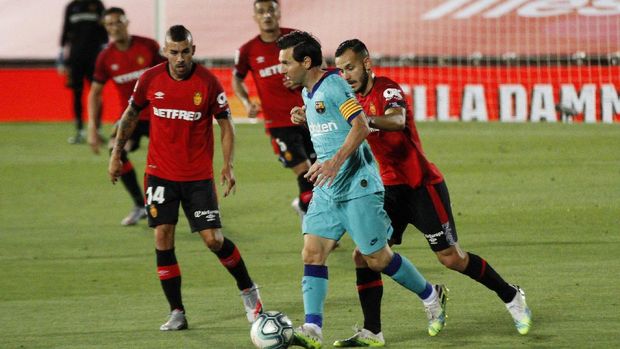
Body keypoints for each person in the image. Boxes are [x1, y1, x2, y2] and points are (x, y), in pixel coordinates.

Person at [330, 39, 532, 346]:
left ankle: (511, 295)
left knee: (451, 258)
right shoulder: (348, 99)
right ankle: (374, 330)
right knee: (365, 255)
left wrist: (364, 121)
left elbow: (397, 120)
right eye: (341, 70)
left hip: (421, 185)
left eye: (351, 67)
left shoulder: (386, 89)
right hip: (385, 190)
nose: (346, 75)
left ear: (367, 63)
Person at [278, 31, 447, 349]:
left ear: (306, 61)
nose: (282, 69)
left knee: (378, 258)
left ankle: (430, 293)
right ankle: (312, 329)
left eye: (286, 63)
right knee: (312, 252)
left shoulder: (334, 85)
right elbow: (334, 128)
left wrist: (333, 163)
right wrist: (307, 120)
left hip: (358, 186)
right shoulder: (309, 93)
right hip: (328, 190)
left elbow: (360, 126)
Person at [108, 25, 263, 331]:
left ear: (193, 50)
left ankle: (249, 290)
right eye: (174, 52)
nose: (179, 58)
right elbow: (129, 115)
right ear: (165, 51)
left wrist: (228, 165)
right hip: (159, 176)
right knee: (162, 237)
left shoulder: (207, 83)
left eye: (185, 51)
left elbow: (226, 124)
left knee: (213, 240)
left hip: (197, 178)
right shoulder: (150, 79)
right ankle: (177, 311)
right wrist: (116, 154)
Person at [233, 0, 316, 215]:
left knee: (318, 174)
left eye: (271, 10)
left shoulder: (296, 40)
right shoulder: (248, 50)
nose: (267, 15)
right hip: (279, 124)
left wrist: (301, 80)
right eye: (261, 11)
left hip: (310, 116)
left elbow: (318, 67)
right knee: (305, 172)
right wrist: (246, 102)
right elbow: (237, 78)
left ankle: (306, 208)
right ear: (255, 17)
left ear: (279, 13)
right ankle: (315, 227)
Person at [87, 7, 165, 226]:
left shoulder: (147, 46)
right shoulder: (105, 57)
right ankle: (140, 205)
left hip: (158, 114)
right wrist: (93, 127)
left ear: (127, 23)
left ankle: (198, 201)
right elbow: (95, 92)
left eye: (118, 22)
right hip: (131, 116)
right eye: (110, 24)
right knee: (116, 151)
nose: (115, 27)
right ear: (106, 28)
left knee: (172, 159)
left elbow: (167, 74)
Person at [59, 0, 108, 144]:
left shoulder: (97, 5)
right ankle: (80, 131)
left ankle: (97, 130)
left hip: (95, 58)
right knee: (77, 93)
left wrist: (106, 53)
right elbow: (66, 30)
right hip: (75, 58)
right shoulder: (71, 7)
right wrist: (62, 54)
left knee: (97, 93)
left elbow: (104, 30)